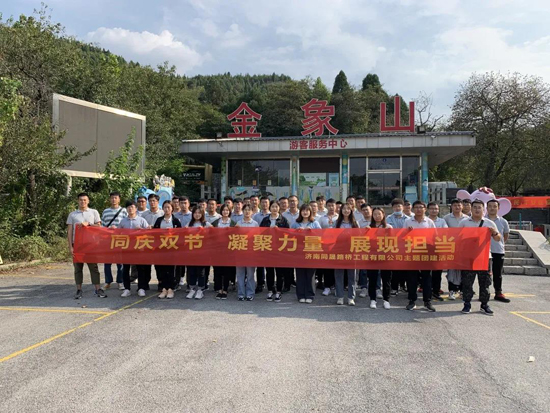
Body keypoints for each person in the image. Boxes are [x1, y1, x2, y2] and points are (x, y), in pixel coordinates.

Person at [459, 199, 501, 315]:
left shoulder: (489, 223)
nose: (477, 210)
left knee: (485, 282)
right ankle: (467, 304)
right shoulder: (464, 222)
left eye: (479, 207)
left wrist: (494, 232)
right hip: (468, 257)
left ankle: (484, 304)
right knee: (467, 282)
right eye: (475, 207)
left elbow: (498, 238)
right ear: (471, 209)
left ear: (483, 209)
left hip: (484, 257)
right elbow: (457, 238)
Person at [67, 192, 105, 299]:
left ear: (88, 201)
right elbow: (69, 231)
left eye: (84, 200)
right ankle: (79, 290)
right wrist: (70, 246)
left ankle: (98, 289)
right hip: (77, 245)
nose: (82, 202)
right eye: (80, 200)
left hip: (91, 245)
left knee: (94, 268)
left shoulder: (93, 212)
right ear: (77, 201)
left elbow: (99, 227)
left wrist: (89, 224)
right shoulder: (73, 215)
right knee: (78, 268)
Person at [404, 201, 436, 312]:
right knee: (412, 278)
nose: (418, 209)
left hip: (425, 253)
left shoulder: (429, 222)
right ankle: (412, 301)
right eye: (416, 207)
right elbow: (402, 237)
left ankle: (427, 301)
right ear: (413, 209)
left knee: (427, 278)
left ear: (425, 209)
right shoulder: (408, 221)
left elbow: (435, 236)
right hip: (412, 253)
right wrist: (407, 232)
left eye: (421, 207)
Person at [260, 200, 290, 302]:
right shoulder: (265, 220)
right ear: (270, 208)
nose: (274, 209)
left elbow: (288, 234)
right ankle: (270, 290)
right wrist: (268, 230)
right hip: (268, 249)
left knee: (279, 272)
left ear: (279, 208)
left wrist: (279, 231)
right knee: (269, 271)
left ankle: (278, 291)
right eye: (272, 207)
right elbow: (260, 234)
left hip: (279, 250)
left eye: (276, 207)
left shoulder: (283, 220)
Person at [291, 204, 321, 303]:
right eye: (303, 210)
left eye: (307, 210)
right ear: (300, 212)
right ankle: (300, 295)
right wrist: (296, 232)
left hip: (311, 252)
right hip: (299, 252)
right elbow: (289, 236)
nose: (305, 212)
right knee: (300, 274)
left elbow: (321, 236)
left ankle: (310, 295)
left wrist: (312, 232)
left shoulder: (315, 223)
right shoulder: (295, 223)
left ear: (310, 212)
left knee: (310, 275)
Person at [118, 201, 149, 297]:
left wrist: (142, 230)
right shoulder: (123, 221)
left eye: (132, 207)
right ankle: (127, 288)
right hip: (126, 248)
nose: (130, 209)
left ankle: (141, 288)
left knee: (140, 269)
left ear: (136, 208)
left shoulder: (141, 220)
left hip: (139, 248)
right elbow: (118, 234)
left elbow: (149, 233)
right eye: (128, 207)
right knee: (125, 269)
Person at [153, 200, 182, 299]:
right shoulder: (159, 220)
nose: (166, 209)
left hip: (172, 249)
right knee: (162, 269)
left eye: (168, 207)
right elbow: (154, 234)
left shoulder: (176, 221)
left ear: (172, 209)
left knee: (171, 270)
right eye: (165, 207)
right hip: (161, 249)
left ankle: (171, 288)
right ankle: (164, 288)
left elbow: (180, 234)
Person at [101, 191, 127, 290]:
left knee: (120, 262)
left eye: (116, 198)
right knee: (107, 262)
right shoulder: (105, 211)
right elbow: (102, 226)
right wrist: (109, 229)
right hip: (108, 240)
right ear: (109, 199)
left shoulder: (124, 211)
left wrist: (118, 229)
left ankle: (120, 281)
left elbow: (126, 224)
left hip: (120, 239)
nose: (114, 200)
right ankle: (108, 281)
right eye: (112, 198)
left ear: (119, 199)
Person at [367, 207, 393, 309]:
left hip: (385, 256)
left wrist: (390, 232)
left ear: (383, 215)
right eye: (375, 214)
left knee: (386, 279)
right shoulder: (369, 227)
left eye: (379, 214)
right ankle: (372, 299)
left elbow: (394, 241)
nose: (377, 216)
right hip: (372, 256)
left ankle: (386, 300)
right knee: (372, 279)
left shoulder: (388, 227)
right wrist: (366, 232)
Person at [487, 199, 511, 303]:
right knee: (485, 274)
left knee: (498, 273)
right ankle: (484, 293)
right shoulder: (483, 220)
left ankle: (498, 292)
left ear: (498, 208)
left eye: (494, 206)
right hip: (485, 251)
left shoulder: (503, 221)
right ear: (487, 208)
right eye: (490, 206)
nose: (492, 208)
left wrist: (500, 244)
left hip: (498, 250)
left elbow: (505, 235)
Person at [333, 204, 358, 306]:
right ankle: (340, 296)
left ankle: (351, 297)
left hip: (352, 252)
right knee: (339, 274)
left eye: (348, 209)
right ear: (341, 210)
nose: (346, 210)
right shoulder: (336, 222)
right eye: (344, 209)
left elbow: (359, 236)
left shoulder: (355, 223)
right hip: (339, 251)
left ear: (351, 210)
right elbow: (332, 236)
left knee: (352, 275)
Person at [443, 198, 468, 300]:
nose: (457, 207)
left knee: (463, 270)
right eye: (455, 205)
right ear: (451, 207)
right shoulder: (446, 218)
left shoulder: (467, 218)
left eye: (459, 205)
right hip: (451, 247)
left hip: (464, 248)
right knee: (452, 270)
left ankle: (462, 290)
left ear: (462, 206)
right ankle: (452, 290)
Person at [186, 206, 212, 299]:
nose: (197, 215)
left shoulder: (206, 223)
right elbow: (184, 233)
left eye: (199, 213)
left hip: (202, 252)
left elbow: (214, 233)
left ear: (202, 214)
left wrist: (204, 231)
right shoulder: (189, 224)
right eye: (195, 213)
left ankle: (200, 289)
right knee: (191, 271)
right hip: (191, 252)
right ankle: (192, 288)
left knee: (201, 271)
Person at [212, 204, 236, 300]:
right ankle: (219, 289)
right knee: (218, 270)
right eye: (223, 210)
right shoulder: (216, 222)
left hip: (228, 250)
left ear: (229, 212)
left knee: (227, 270)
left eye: (227, 210)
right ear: (220, 211)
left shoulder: (233, 223)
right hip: (217, 250)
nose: (225, 212)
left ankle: (225, 289)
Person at [235, 204, 259, 301]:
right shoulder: (238, 223)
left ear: (252, 212)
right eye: (245, 210)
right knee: (240, 274)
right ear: (242, 211)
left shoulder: (255, 224)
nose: (247, 212)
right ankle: (241, 293)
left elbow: (257, 238)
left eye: (249, 210)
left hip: (251, 253)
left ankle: (250, 293)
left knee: (250, 274)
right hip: (240, 252)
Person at [141, 194, 164, 291]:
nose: (152, 203)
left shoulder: (162, 213)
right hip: (147, 242)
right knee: (146, 264)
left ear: (158, 202)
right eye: (150, 201)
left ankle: (161, 282)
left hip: (159, 243)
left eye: (154, 201)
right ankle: (145, 283)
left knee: (159, 264)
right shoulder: (144, 214)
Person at [386, 198, 408, 295]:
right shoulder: (388, 218)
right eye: (395, 206)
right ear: (392, 208)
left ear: (403, 207)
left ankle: (402, 285)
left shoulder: (408, 219)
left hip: (405, 246)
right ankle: (394, 287)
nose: (397, 208)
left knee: (404, 267)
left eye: (399, 206)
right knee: (394, 268)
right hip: (393, 246)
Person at [427, 202, 448, 301]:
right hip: (425, 249)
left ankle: (436, 291)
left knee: (437, 272)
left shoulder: (442, 221)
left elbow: (445, 232)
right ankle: (427, 291)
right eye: (431, 209)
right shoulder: (425, 220)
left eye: (435, 209)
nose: (434, 210)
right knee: (427, 272)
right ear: (428, 210)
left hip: (438, 248)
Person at [318, 198, 338, 296]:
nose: (331, 207)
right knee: (327, 266)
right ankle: (327, 286)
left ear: (335, 206)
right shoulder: (322, 218)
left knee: (336, 267)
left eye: (332, 205)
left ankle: (336, 286)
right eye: (329, 205)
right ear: (326, 207)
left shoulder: (339, 217)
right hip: (325, 246)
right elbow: (318, 231)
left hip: (337, 246)